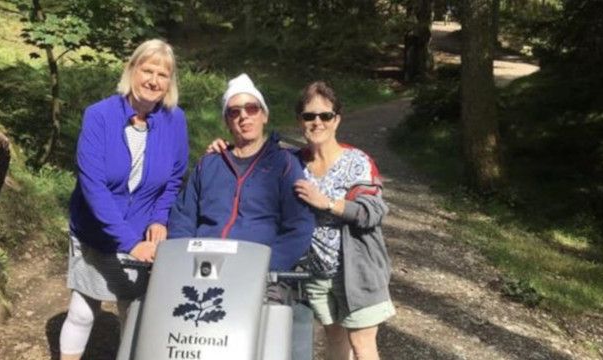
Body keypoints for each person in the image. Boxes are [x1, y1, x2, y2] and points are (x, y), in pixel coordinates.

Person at [206, 81, 394, 360]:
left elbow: (373, 212)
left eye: (325, 115)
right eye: (309, 116)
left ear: (337, 119)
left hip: (357, 271)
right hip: (315, 273)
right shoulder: (291, 161)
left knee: (362, 345)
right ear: (300, 121)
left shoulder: (357, 161)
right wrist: (225, 147)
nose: (317, 122)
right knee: (335, 341)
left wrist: (328, 203)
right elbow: (252, 153)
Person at [59, 39, 188, 360]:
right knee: (82, 311)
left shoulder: (175, 120)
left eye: (162, 74)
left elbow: (174, 178)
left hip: (141, 232)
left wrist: (159, 218)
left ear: (170, 82)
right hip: (96, 229)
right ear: (132, 70)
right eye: (147, 70)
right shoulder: (99, 116)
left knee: (133, 313)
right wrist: (129, 242)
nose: (153, 80)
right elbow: (93, 187)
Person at [168, 73, 314, 274]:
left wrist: (267, 267)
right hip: (202, 267)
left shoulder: (284, 164)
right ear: (227, 122)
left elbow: (299, 227)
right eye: (234, 112)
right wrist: (183, 260)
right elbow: (183, 218)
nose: (243, 116)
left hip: (258, 269)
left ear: (264, 115)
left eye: (252, 108)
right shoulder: (209, 164)